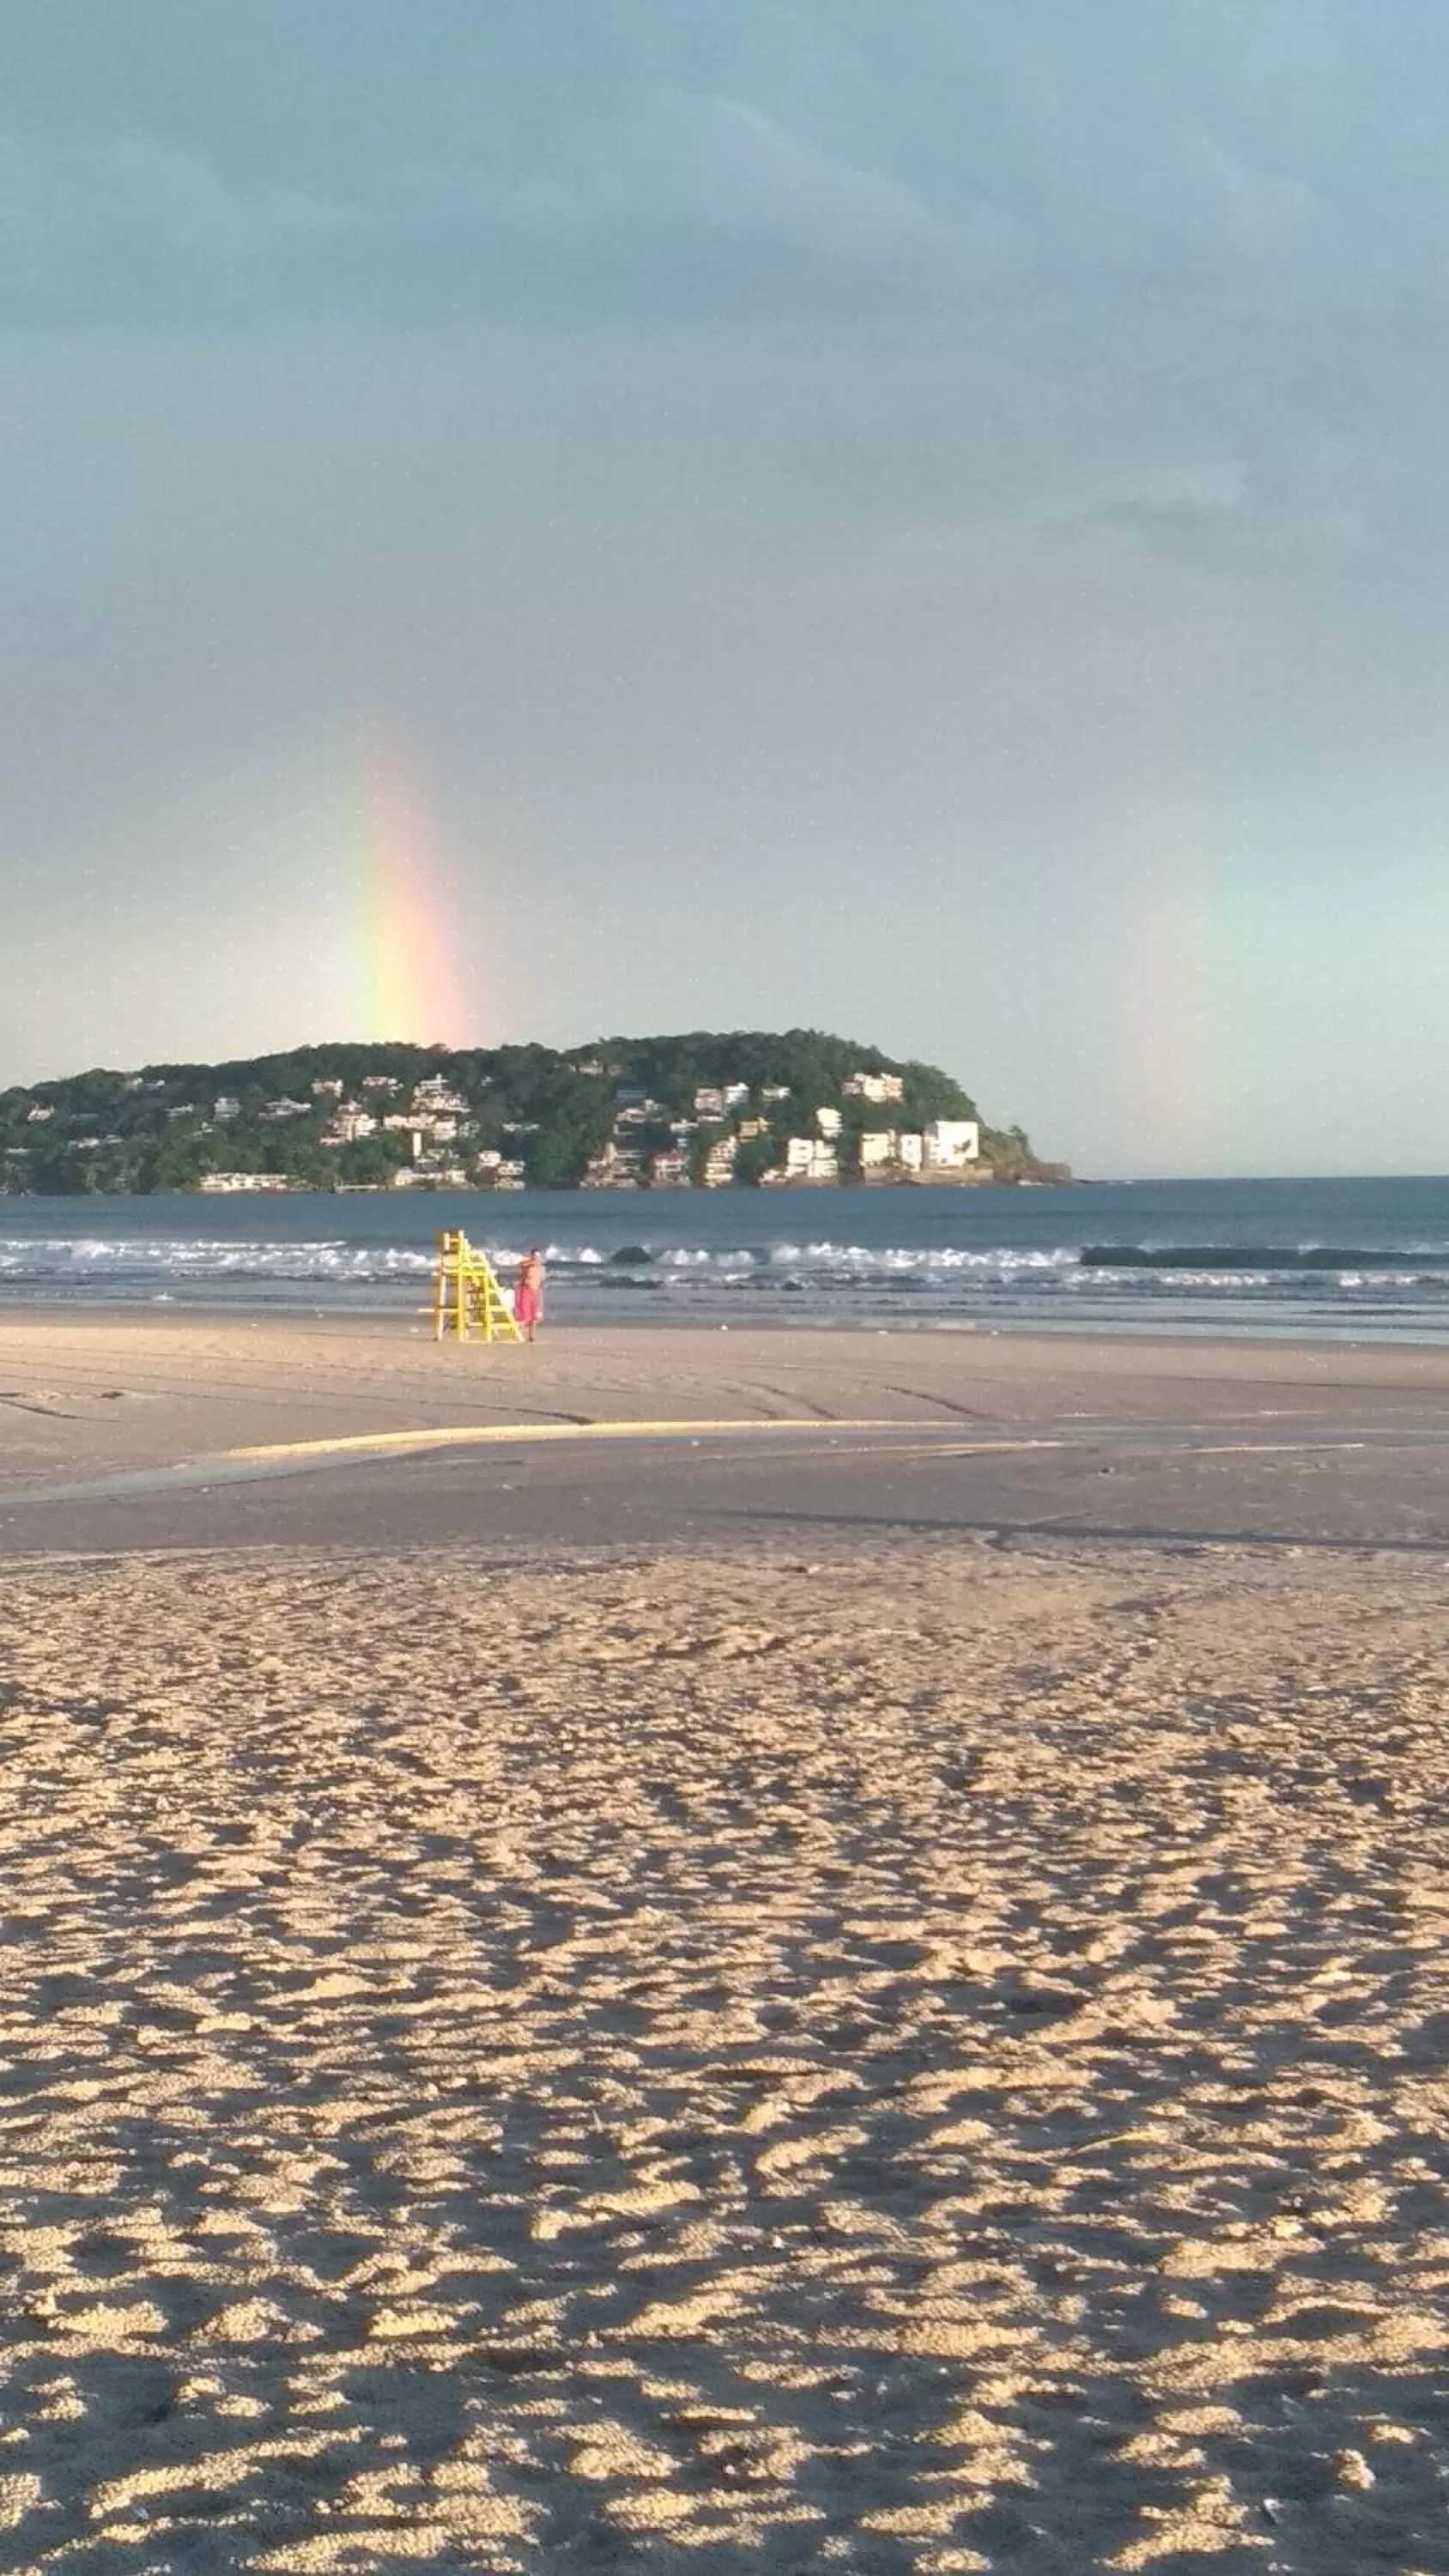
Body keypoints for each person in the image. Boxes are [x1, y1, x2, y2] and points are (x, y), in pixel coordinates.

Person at [514, 1247, 545, 1341]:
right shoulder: (527, 1265)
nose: (537, 1258)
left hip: (536, 1291)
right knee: (525, 1316)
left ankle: (531, 1336)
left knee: (535, 1316)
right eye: (535, 1256)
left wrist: (541, 1292)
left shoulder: (541, 1268)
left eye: (538, 1256)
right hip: (526, 1290)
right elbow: (521, 1266)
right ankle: (517, 1332)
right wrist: (531, 1263)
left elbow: (541, 1281)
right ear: (532, 1256)